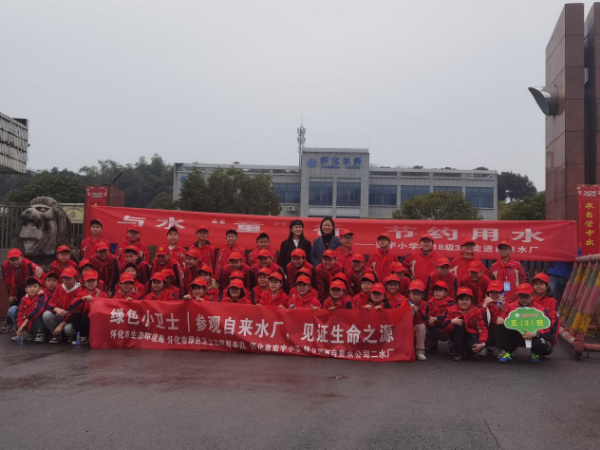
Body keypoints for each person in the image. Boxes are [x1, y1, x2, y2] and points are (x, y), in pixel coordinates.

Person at [497, 283, 556, 363]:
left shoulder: (540, 309)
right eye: (521, 296)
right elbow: (503, 316)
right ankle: (509, 352)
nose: (524, 299)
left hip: (533, 336)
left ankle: (535, 353)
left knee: (540, 342)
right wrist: (500, 318)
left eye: (527, 296)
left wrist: (536, 333)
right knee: (502, 325)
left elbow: (548, 326)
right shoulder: (511, 306)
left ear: (533, 296)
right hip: (517, 334)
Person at [54, 270, 108, 346]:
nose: (91, 283)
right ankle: (82, 337)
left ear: (97, 282)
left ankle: (92, 337)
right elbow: (71, 308)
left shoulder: (103, 295)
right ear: (84, 282)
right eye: (88, 281)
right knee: (74, 316)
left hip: (97, 321)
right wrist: (82, 299)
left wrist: (98, 298)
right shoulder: (80, 293)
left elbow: (107, 309)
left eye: (93, 280)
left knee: (87, 315)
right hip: (83, 322)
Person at [1, 248, 43, 334]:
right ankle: (13, 324)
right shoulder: (5, 265)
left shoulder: (28, 265)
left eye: (17, 259)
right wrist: (12, 294)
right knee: (14, 302)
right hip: (19, 285)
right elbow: (8, 280)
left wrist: (28, 294)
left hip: (33, 286)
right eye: (12, 260)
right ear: (8, 260)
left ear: (22, 257)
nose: (15, 262)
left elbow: (30, 281)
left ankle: (33, 328)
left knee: (29, 304)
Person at [441, 287, 488, 361]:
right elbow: (443, 329)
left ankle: (468, 351)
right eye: (461, 299)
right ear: (457, 300)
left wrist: (482, 343)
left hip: (471, 334)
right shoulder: (451, 310)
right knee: (459, 324)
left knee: (473, 349)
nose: (464, 302)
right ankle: (458, 353)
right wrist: (451, 322)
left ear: (471, 300)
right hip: (456, 336)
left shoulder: (476, 311)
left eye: (467, 299)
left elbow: (482, 328)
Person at [43, 267, 81, 343]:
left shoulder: (80, 290)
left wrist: (62, 324)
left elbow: (77, 310)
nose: (66, 279)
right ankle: (56, 335)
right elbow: (49, 303)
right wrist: (56, 309)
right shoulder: (58, 287)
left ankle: (67, 336)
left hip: (71, 319)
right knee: (46, 315)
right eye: (64, 277)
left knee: (68, 330)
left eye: (69, 278)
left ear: (75, 278)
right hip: (60, 315)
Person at [13, 276, 48, 344]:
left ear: (40, 288)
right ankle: (26, 334)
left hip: (38, 323)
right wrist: (21, 327)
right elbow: (21, 313)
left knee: (40, 313)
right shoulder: (24, 299)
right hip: (29, 323)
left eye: (35, 286)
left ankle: (41, 334)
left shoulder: (42, 296)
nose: (32, 289)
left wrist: (27, 320)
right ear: (26, 289)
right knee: (13, 310)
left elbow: (39, 309)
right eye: (29, 287)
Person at [531, 272, 559, 350]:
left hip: (544, 333)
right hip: (529, 329)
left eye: (541, 284)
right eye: (536, 284)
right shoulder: (529, 299)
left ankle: (542, 346)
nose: (538, 286)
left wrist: (550, 338)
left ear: (547, 286)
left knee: (542, 347)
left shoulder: (552, 301)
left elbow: (554, 321)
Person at [425, 281, 455, 353]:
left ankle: (453, 347)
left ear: (446, 293)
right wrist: (429, 321)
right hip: (433, 327)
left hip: (445, 329)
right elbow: (426, 314)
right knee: (423, 326)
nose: (437, 292)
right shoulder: (429, 302)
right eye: (436, 290)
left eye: (440, 290)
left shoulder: (450, 303)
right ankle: (431, 345)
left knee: (454, 324)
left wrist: (437, 318)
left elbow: (448, 315)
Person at [480, 280, 507, 356]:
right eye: (492, 292)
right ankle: (484, 345)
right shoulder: (483, 303)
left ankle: (499, 347)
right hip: (487, 331)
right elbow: (478, 317)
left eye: (497, 292)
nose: (494, 295)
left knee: (503, 323)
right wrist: (485, 305)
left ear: (502, 293)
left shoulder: (507, 305)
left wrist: (503, 309)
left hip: (498, 332)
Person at [407, 280, 430, 361]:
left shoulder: (425, 304)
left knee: (421, 326)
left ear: (422, 295)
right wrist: (407, 309)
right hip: (406, 327)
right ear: (409, 293)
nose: (416, 296)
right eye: (413, 294)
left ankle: (420, 350)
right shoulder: (404, 302)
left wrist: (417, 311)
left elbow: (425, 318)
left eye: (418, 294)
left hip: (416, 326)